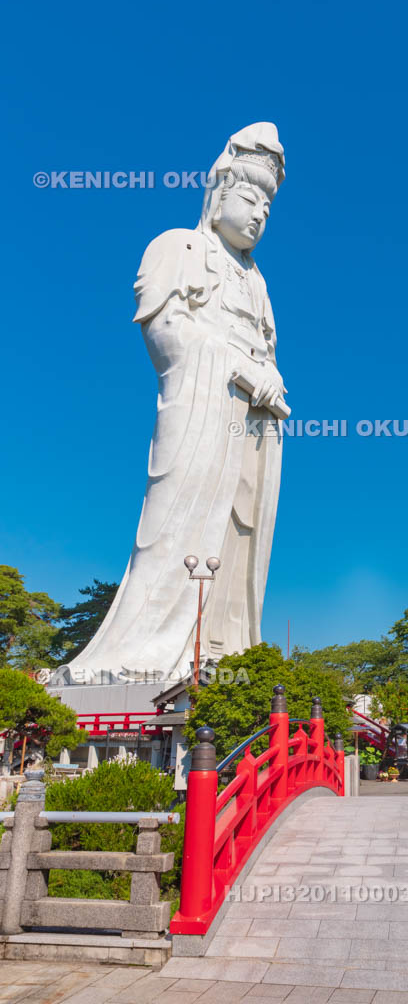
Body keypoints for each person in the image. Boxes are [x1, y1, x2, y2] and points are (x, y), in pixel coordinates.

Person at [54, 123, 287, 685]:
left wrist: (268, 378)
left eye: (268, 207)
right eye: (249, 198)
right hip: (203, 409)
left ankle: (226, 653)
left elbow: (266, 350)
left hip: (254, 423)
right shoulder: (178, 247)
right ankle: (144, 651)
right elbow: (165, 334)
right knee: (177, 523)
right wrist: (240, 368)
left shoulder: (257, 283)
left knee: (242, 536)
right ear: (219, 192)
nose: (259, 214)